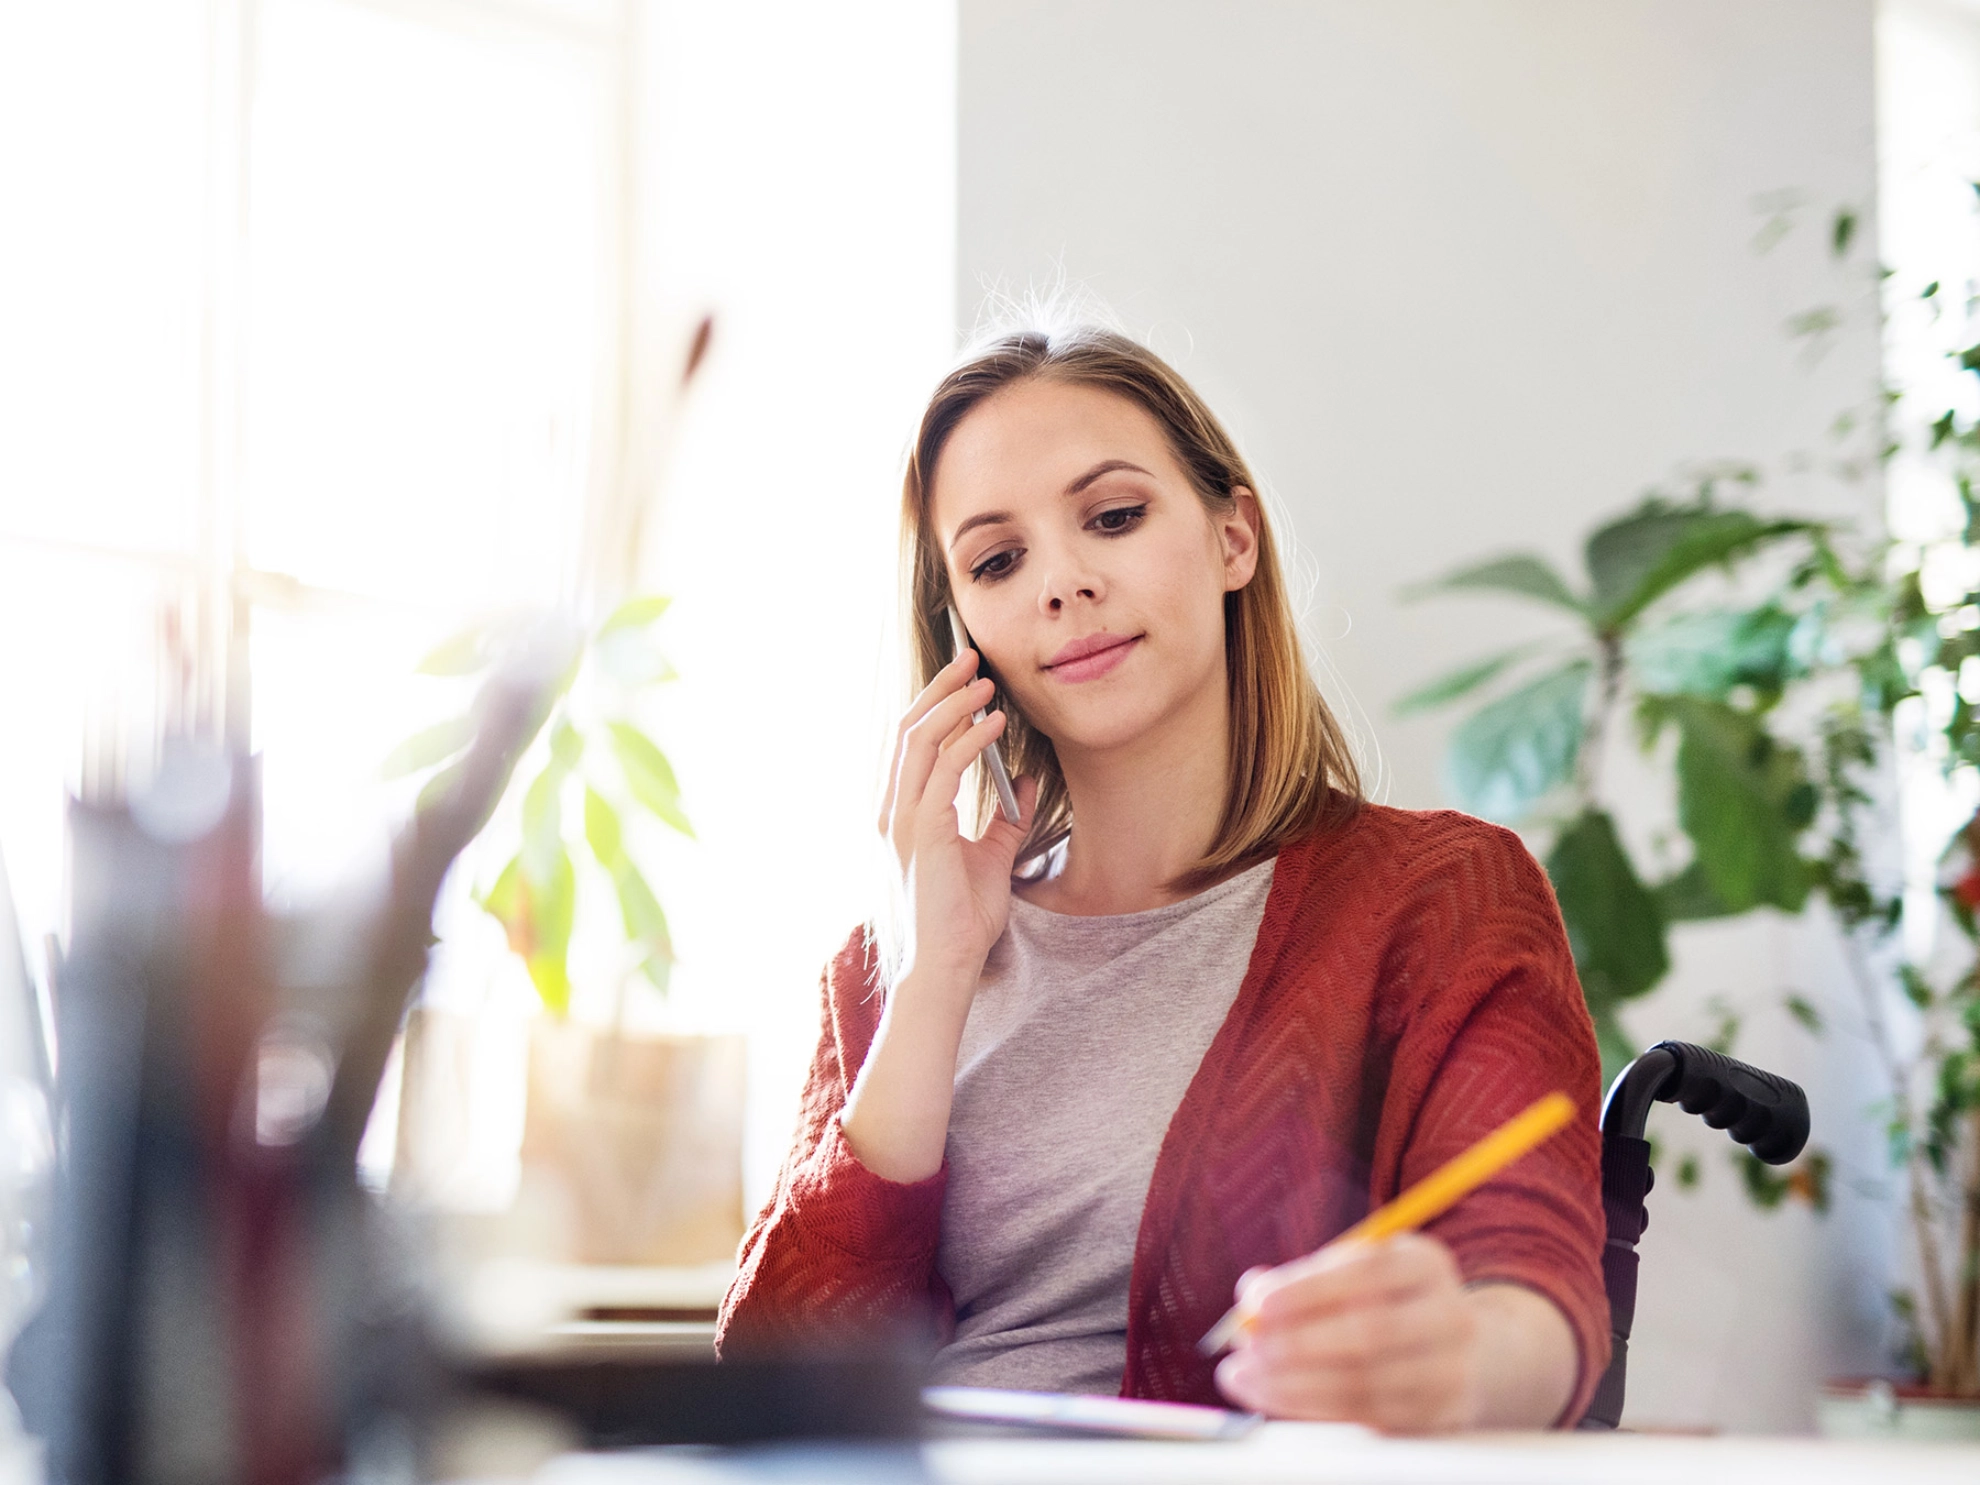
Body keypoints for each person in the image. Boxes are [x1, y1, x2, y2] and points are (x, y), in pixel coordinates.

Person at [717, 323, 1608, 1432]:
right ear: (965, 641)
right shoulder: (883, 966)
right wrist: (936, 975)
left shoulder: (1440, 898)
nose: (1064, 583)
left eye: (1114, 517)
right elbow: (765, 1398)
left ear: (1234, 539)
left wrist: (1457, 1360)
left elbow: (1536, 1296)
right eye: (999, 561)